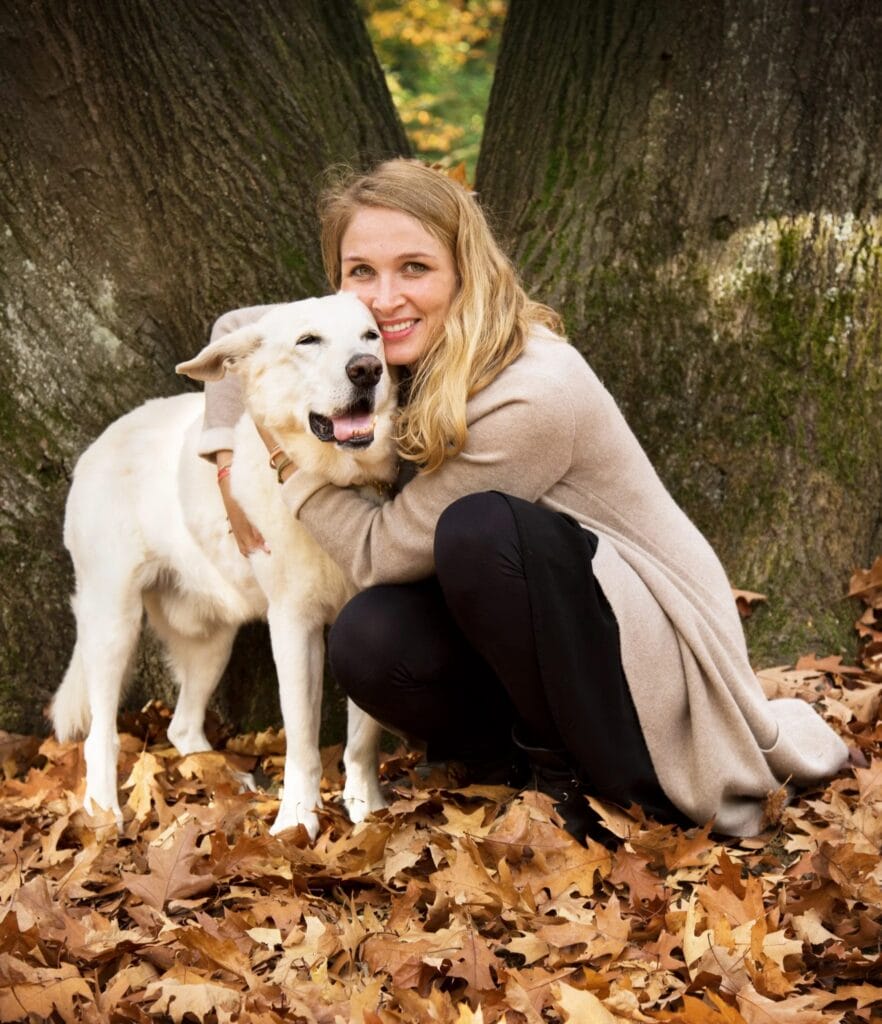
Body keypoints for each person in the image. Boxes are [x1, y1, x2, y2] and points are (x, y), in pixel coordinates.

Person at [199, 158, 847, 841]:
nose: (384, 298)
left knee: (477, 534)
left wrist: (282, 466)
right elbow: (237, 327)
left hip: (661, 668)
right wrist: (220, 458)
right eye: (362, 272)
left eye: (414, 268)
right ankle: (503, 770)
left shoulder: (530, 392)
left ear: (464, 271)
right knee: (370, 638)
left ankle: (588, 784)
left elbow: (378, 553)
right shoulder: (386, 346)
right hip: (556, 640)